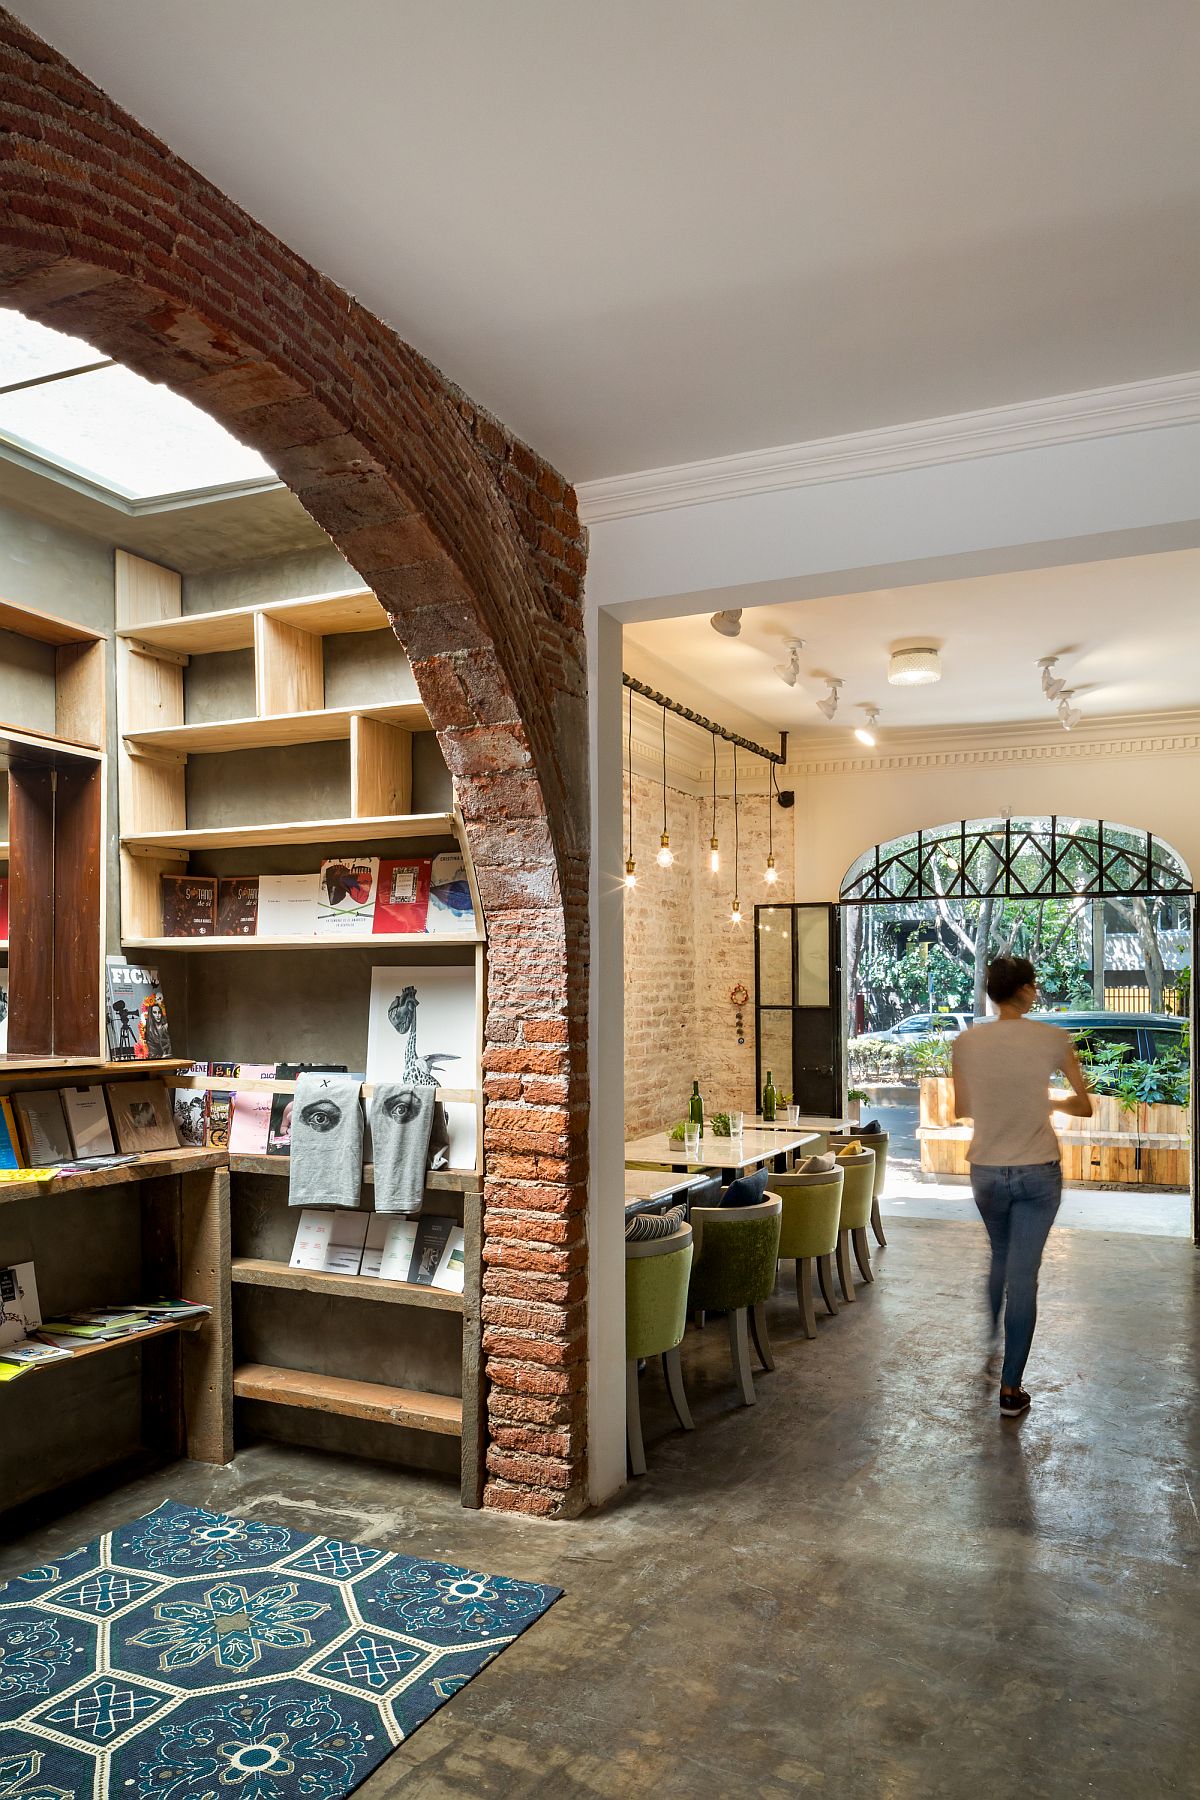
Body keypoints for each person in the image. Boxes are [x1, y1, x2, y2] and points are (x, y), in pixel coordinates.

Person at [950, 956, 1093, 1418]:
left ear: (992, 992)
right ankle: (1011, 1389)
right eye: (1034, 985)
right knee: (1023, 1277)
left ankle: (993, 1335)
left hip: (986, 1171)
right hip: (1037, 1172)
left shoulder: (967, 1042)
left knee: (999, 1254)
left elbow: (963, 1108)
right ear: (1026, 990)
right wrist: (1045, 1101)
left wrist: (1005, 1099)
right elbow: (1085, 1105)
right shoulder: (1052, 1038)